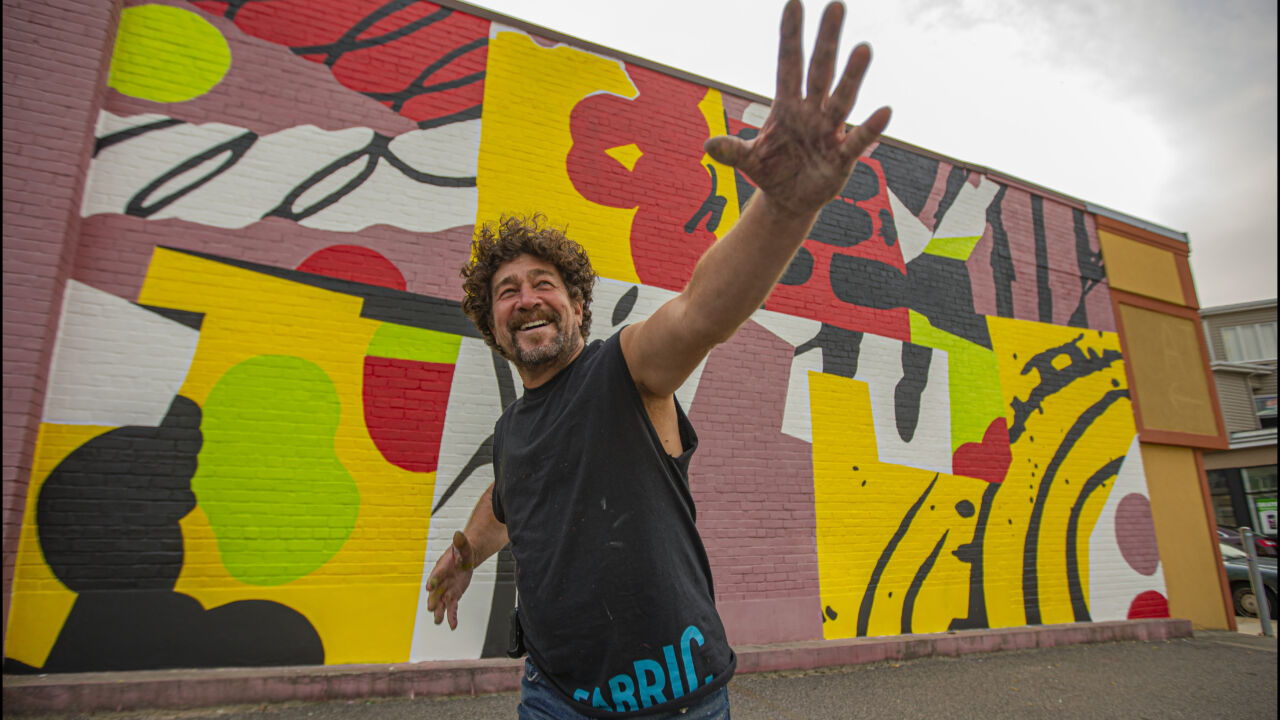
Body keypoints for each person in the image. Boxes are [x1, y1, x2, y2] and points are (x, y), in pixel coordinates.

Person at [425, 1, 891, 717]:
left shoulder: (624, 370)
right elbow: (506, 505)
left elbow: (702, 312)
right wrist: (459, 558)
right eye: (507, 292)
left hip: (678, 702)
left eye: (543, 284)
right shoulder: (514, 432)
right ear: (493, 324)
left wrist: (783, 209)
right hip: (552, 697)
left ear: (578, 307)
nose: (526, 299)